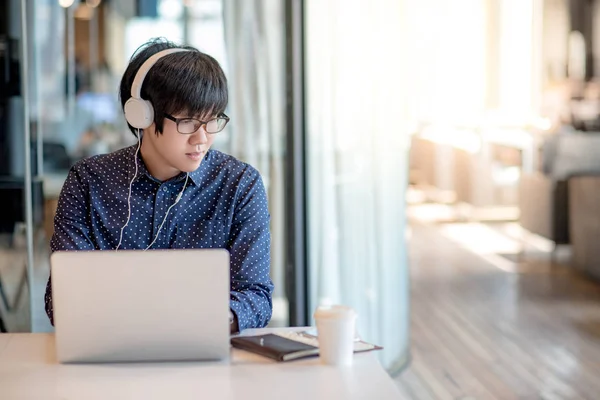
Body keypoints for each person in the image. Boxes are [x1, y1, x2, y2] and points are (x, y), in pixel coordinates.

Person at [44, 38, 273, 333]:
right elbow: (60, 300)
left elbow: (256, 296)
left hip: (205, 353)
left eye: (213, 120)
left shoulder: (240, 184)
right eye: (188, 122)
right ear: (143, 115)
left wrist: (206, 322)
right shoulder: (89, 182)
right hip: (108, 355)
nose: (202, 137)